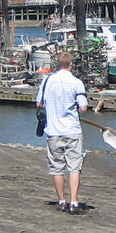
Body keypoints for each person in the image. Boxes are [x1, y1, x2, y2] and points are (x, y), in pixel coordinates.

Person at [36, 51, 89, 214]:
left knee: (57, 167)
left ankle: (61, 201)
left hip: (53, 131)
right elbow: (83, 108)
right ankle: (74, 202)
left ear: (57, 64)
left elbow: (39, 103)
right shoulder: (76, 82)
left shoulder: (46, 81)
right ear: (71, 64)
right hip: (72, 130)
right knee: (74, 167)